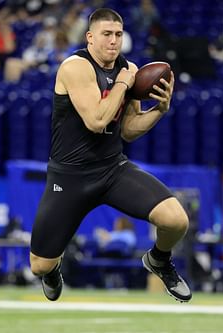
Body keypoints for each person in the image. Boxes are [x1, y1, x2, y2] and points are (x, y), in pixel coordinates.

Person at [29, 8, 192, 303]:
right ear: (90, 37)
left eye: (118, 34)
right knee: (39, 265)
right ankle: (53, 269)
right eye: (106, 34)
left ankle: (159, 259)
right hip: (70, 176)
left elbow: (128, 130)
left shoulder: (126, 68)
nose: (114, 41)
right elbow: (96, 120)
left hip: (112, 170)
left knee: (176, 220)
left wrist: (159, 111)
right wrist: (123, 84)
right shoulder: (75, 67)